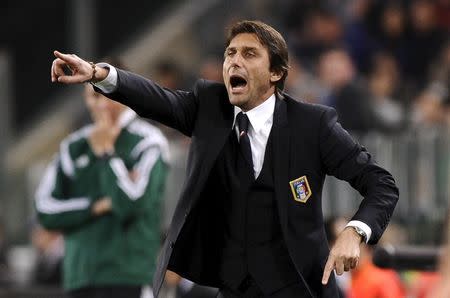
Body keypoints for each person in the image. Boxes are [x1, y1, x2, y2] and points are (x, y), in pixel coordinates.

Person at [50, 20, 399, 298]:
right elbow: (157, 99)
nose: (234, 60)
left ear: (276, 73)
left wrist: (356, 230)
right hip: (234, 287)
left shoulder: (313, 124)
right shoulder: (209, 107)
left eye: (249, 54)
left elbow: (381, 183)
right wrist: (99, 74)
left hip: (299, 287)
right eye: (230, 53)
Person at [35, 77, 169, 298]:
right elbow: (45, 210)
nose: (102, 104)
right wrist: (95, 206)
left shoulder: (148, 141)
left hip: (128, 276)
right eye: (95, 96)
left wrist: (107, 153)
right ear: (86, 100)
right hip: (80, 276)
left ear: (126, 96)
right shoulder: (73, 146)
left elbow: (131, 203)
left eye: (110, 96)